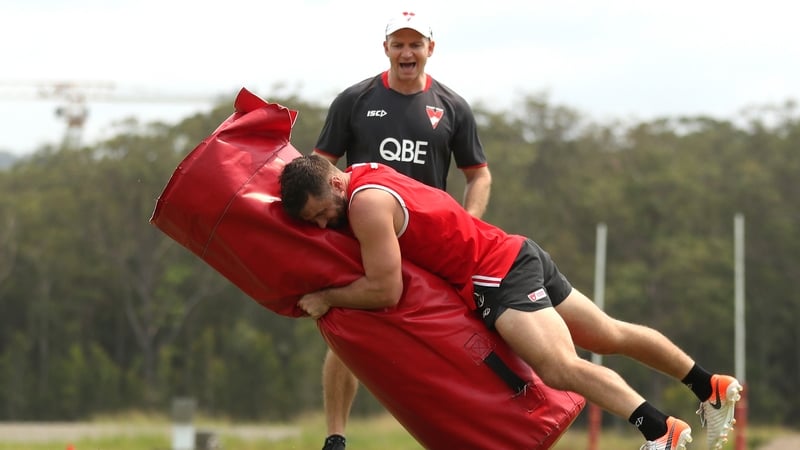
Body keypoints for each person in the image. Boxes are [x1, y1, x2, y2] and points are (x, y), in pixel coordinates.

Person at [279, 155, 744, 450]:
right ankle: (710, 387)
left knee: (559, 367)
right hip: (515, 251)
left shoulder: (364, 206)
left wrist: (326, 297)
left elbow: (387, 289)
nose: (323, 227)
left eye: (322, 214)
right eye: (313, 223)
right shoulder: (365, 169)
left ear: (336, 185)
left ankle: (660, 431)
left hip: (494, 273)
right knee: (609, 333)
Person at [311, 11, 492, 450]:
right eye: (399, 43)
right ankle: (335, 437)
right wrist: (325, 220)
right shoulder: (354, 100)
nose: (407, 52)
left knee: (443, 338)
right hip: (363, 238)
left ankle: (457, 434)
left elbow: (479, 174)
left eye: (415, 44)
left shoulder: (452, 106)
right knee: (348, 331)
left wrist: (469, 224)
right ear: (386, 48)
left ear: (430, 48)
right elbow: (319, 165)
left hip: (428, 241)